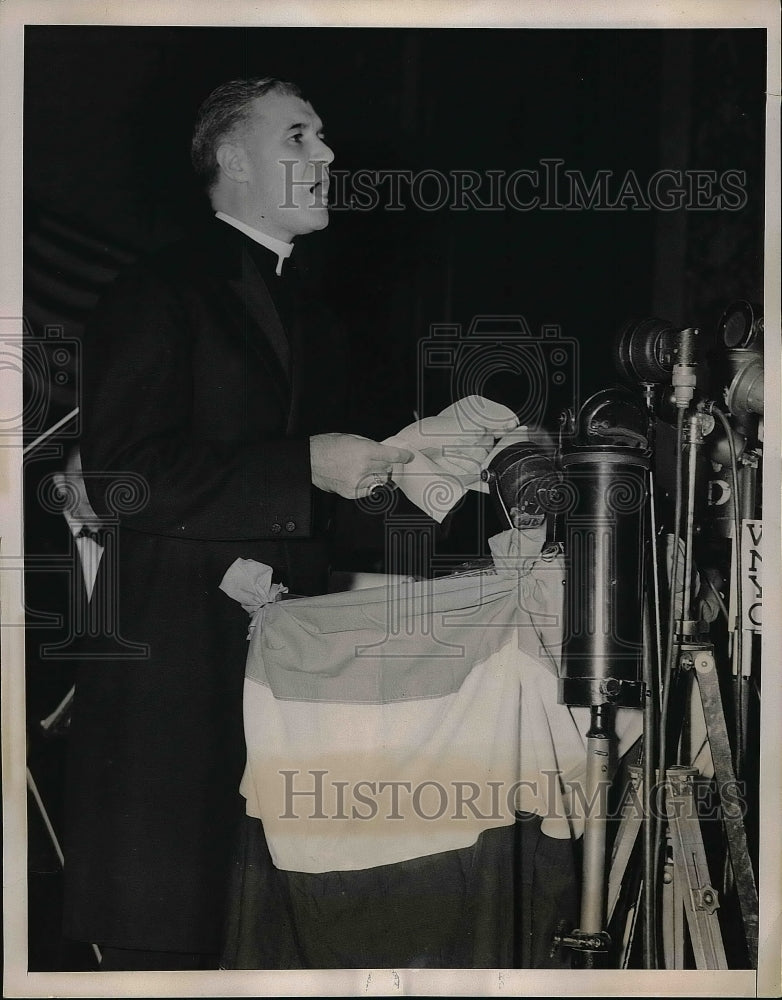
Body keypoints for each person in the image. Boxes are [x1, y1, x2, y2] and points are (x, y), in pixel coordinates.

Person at [62, 76, 413, 971]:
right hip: (176, 675)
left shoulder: (320, 315)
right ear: (232, 159)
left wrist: (414, 474)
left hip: (275, 670)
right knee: (168, 938)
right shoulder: (158, 288)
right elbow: (117, 478)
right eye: (299, 137)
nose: (328, 156)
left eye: (323, 137)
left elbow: (296, 487)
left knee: (255, 930)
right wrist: (303, 466)